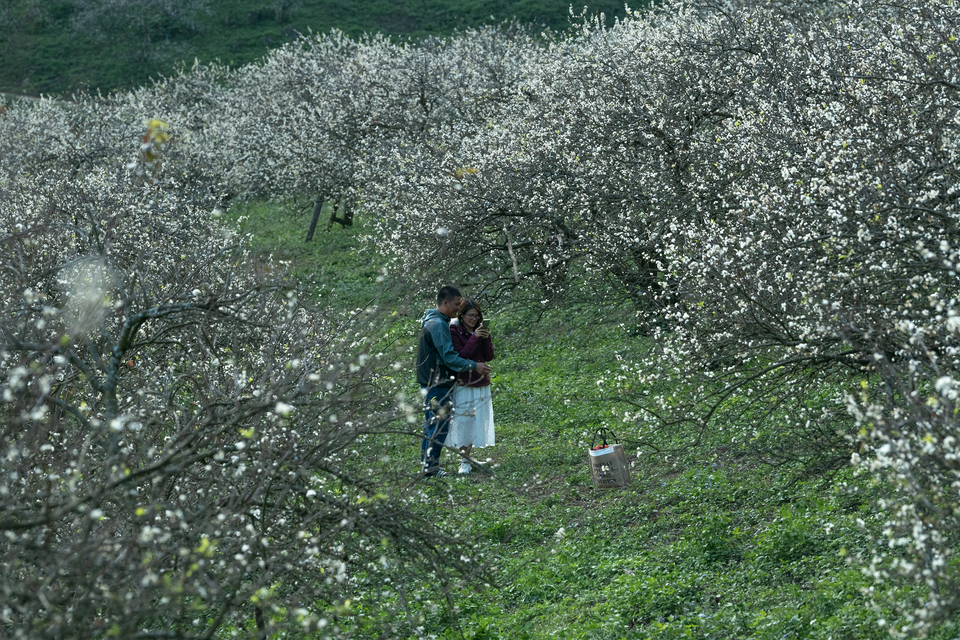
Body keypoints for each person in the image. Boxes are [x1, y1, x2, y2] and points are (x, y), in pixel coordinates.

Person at [416, 286, 492, 478]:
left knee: (432, 425)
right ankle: (431, 470)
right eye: (457, 304)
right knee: (437, 427)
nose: (458, 308)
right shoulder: (439, 325)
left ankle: (428, 467)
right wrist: (474, 366)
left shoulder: (435, 320)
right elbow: (450, 357)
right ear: (445, 303)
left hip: (433, 381)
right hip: (436, 383)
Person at [446, 298, 495, 474]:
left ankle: (468, 457)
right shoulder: (454, 330)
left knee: (475, 422)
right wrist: (474, 338)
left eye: (477, 316)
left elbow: (489, 356)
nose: (474, 319)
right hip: (464, 382)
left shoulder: (478, 330)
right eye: (471, 316)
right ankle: (463, 461)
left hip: (480, 381)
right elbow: (461, 356)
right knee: (463, 421)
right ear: (462, 315)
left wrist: (486, 337)